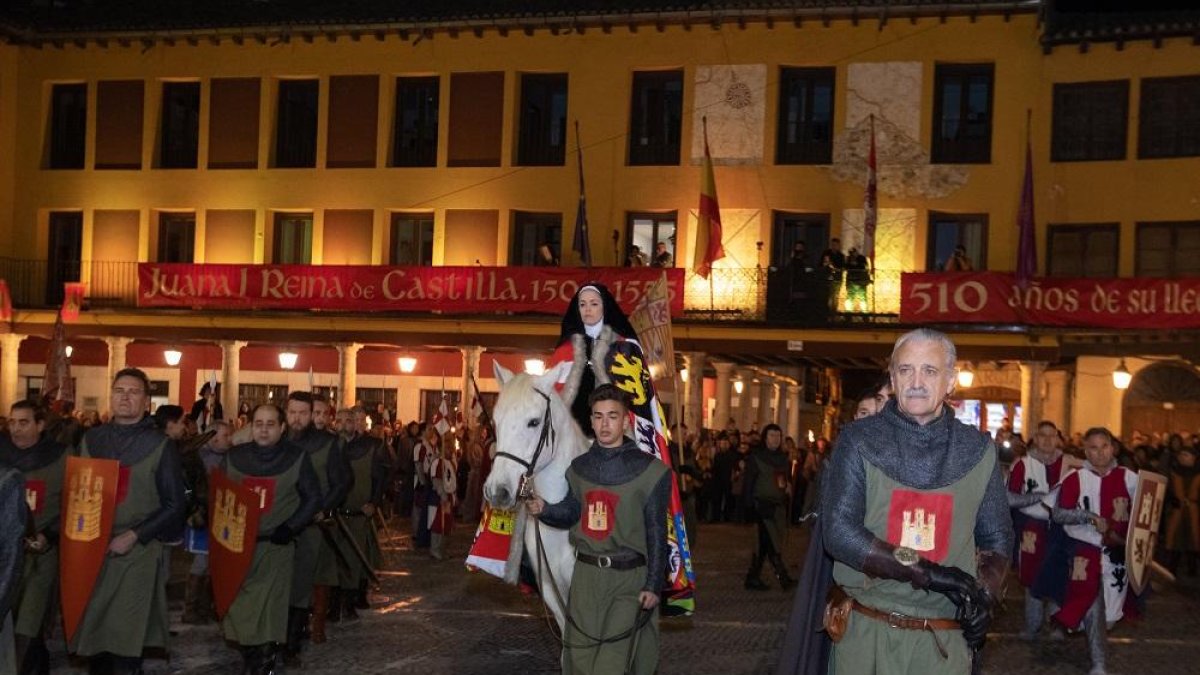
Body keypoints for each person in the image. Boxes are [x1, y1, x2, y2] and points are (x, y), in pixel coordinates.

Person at [821, 329, 1012, 673]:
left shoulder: (979, 451)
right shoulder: (858, 440)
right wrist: (928, 572)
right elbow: (839, 533)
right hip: (869, 635)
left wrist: (983, 596)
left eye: (930, 370)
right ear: (893, 378)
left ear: (950, 381)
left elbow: (997, 539)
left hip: (942, 641)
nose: (917, 381)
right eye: (906, 370)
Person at [528, 385, 671, 675]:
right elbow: (572, 511)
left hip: (629, 580)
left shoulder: (652, 472)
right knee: (579, 659)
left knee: (610, 663)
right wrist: (545, 509)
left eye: (612, 416)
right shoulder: (579, 468)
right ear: (591, 420)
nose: (605, 424)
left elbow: (657, 532)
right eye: (598, 416)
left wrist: (654, 584)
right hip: (586, 578)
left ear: (626, 421)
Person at [73, 368, 187, 674]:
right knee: (95, 638)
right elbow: (78, 493)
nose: (125, 397)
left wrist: (135, 535)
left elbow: (176, 504)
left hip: (136, 552)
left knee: (126, 640)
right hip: (94, 551)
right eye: (120, 390)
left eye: (134, 392)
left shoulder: (160, 445)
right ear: (111, 395)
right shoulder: (91, 439)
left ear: (146, 401)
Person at [221, 404, 321, 675]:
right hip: (239, 548)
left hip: (275, 547)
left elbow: (313, 498)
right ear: (251, 426)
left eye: (270, 424)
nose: (263, 429)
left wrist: (291, 527)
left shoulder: (297, 457)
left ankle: (262, 664)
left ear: (281, 428)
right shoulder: (233, 457)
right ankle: (252, 656)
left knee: (268, 610)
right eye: (258, 423)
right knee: (239, 609)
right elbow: (219, 494)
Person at [1036, 427, 1140, 675]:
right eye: (1093, 447)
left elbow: (1146, 514)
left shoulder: (1131, 478)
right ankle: (1099, 664)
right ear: (1086, 451)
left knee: (1111, 617)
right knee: (1092, 604)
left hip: (1116, 554)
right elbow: (1058, 514)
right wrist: (1088, 516)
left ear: (1112, 447)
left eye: (1104, 446)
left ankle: (1081, 624)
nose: (1100, 452)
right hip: (1083, 551)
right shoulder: (1075, 478)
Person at [282, 392, 350, 666]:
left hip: (309, 526)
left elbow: (341, 482)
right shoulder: (278, 441)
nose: (297, 418)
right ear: (286, 414)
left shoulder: (328, 444)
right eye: (292, 412)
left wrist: (324, 507)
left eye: (303, 413)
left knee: (300, 587)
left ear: (311, 415)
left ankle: (292, 644)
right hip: (279, 525)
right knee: (277, 584)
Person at [1, 400, 66, 673]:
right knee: (9, 622)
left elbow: (74, 506)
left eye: (24, 422)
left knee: (28, 626)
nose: (16, 429)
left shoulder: (62, 458)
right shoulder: (1, 454)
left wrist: (49, 536)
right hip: (4, 557)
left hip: (41, 555)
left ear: (40, 425)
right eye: (12, 422)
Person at [1008, 420, 1074, 641]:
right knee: (1031, 576)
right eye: (1042, 435)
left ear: (1058, 438)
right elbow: (1009, 498)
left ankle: (1056, 624)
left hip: (1061, 527)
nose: (1047, 440)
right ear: (1035, 438)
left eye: (1052, 435)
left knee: (1060, 575)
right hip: (1031, 527)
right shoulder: (1022, 465)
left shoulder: (1070, 464)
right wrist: (1038, 497)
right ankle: (1033, 625)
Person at [331, 407, 386, 630]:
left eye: (350, 420)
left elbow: (379, 478)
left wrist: (373, 502)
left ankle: (351, 602)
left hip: (358, 514)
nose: (345, 424)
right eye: (340, 420)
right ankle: (333, 605)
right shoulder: (329, 446)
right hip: (334, 515)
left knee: (355, 559)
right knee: (333, 562)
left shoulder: (370, 447)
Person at [182, 418, 233, 626]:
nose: (230, 439)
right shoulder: (199, 460)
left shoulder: (232, 457)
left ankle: (209, 606)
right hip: (204, 517)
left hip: (223, 516)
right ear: (212, 438)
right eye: (225, 436)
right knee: (202, 563)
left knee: (216, 564)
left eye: (230, 435)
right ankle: (191, 608)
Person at [742, 424, 796, 591]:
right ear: (765, 438)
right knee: (770, 542)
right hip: (761, 507)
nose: (775, 439)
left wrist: (786, 485)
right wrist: (749, 506)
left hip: (777, 507)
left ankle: (752, 578)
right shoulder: (756, 457)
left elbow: (780, 479)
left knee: (765, 544)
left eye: (778, 436)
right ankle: (783, 578)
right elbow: (749, 483)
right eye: (772, 436)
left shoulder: (782, 458)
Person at [1165, 441, 1200, 576]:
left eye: (1186, 455)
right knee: (1176, 539)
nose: (1182, 457)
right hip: (1177, 511)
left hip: (1193, 511)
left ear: (1193, 458)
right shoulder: (1173, 473)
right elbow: (1166, 490)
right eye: (1181, 455)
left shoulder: (1198, 474)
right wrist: (1171, 498)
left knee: (1193, 539)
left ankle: (1193, 569)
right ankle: (1172, 568)